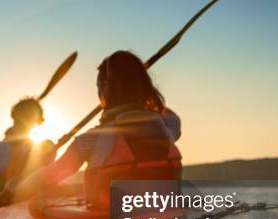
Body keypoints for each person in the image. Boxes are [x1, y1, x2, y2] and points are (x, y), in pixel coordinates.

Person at [14, 50, 182, 210]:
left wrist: (13, 193)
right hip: (162, 213)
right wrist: (143, 90)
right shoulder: (165, 128)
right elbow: (172, 117)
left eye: (98, 87)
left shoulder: (91, 140)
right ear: (142, 86)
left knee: (35, 208)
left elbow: (50, 176)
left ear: (104, 88)